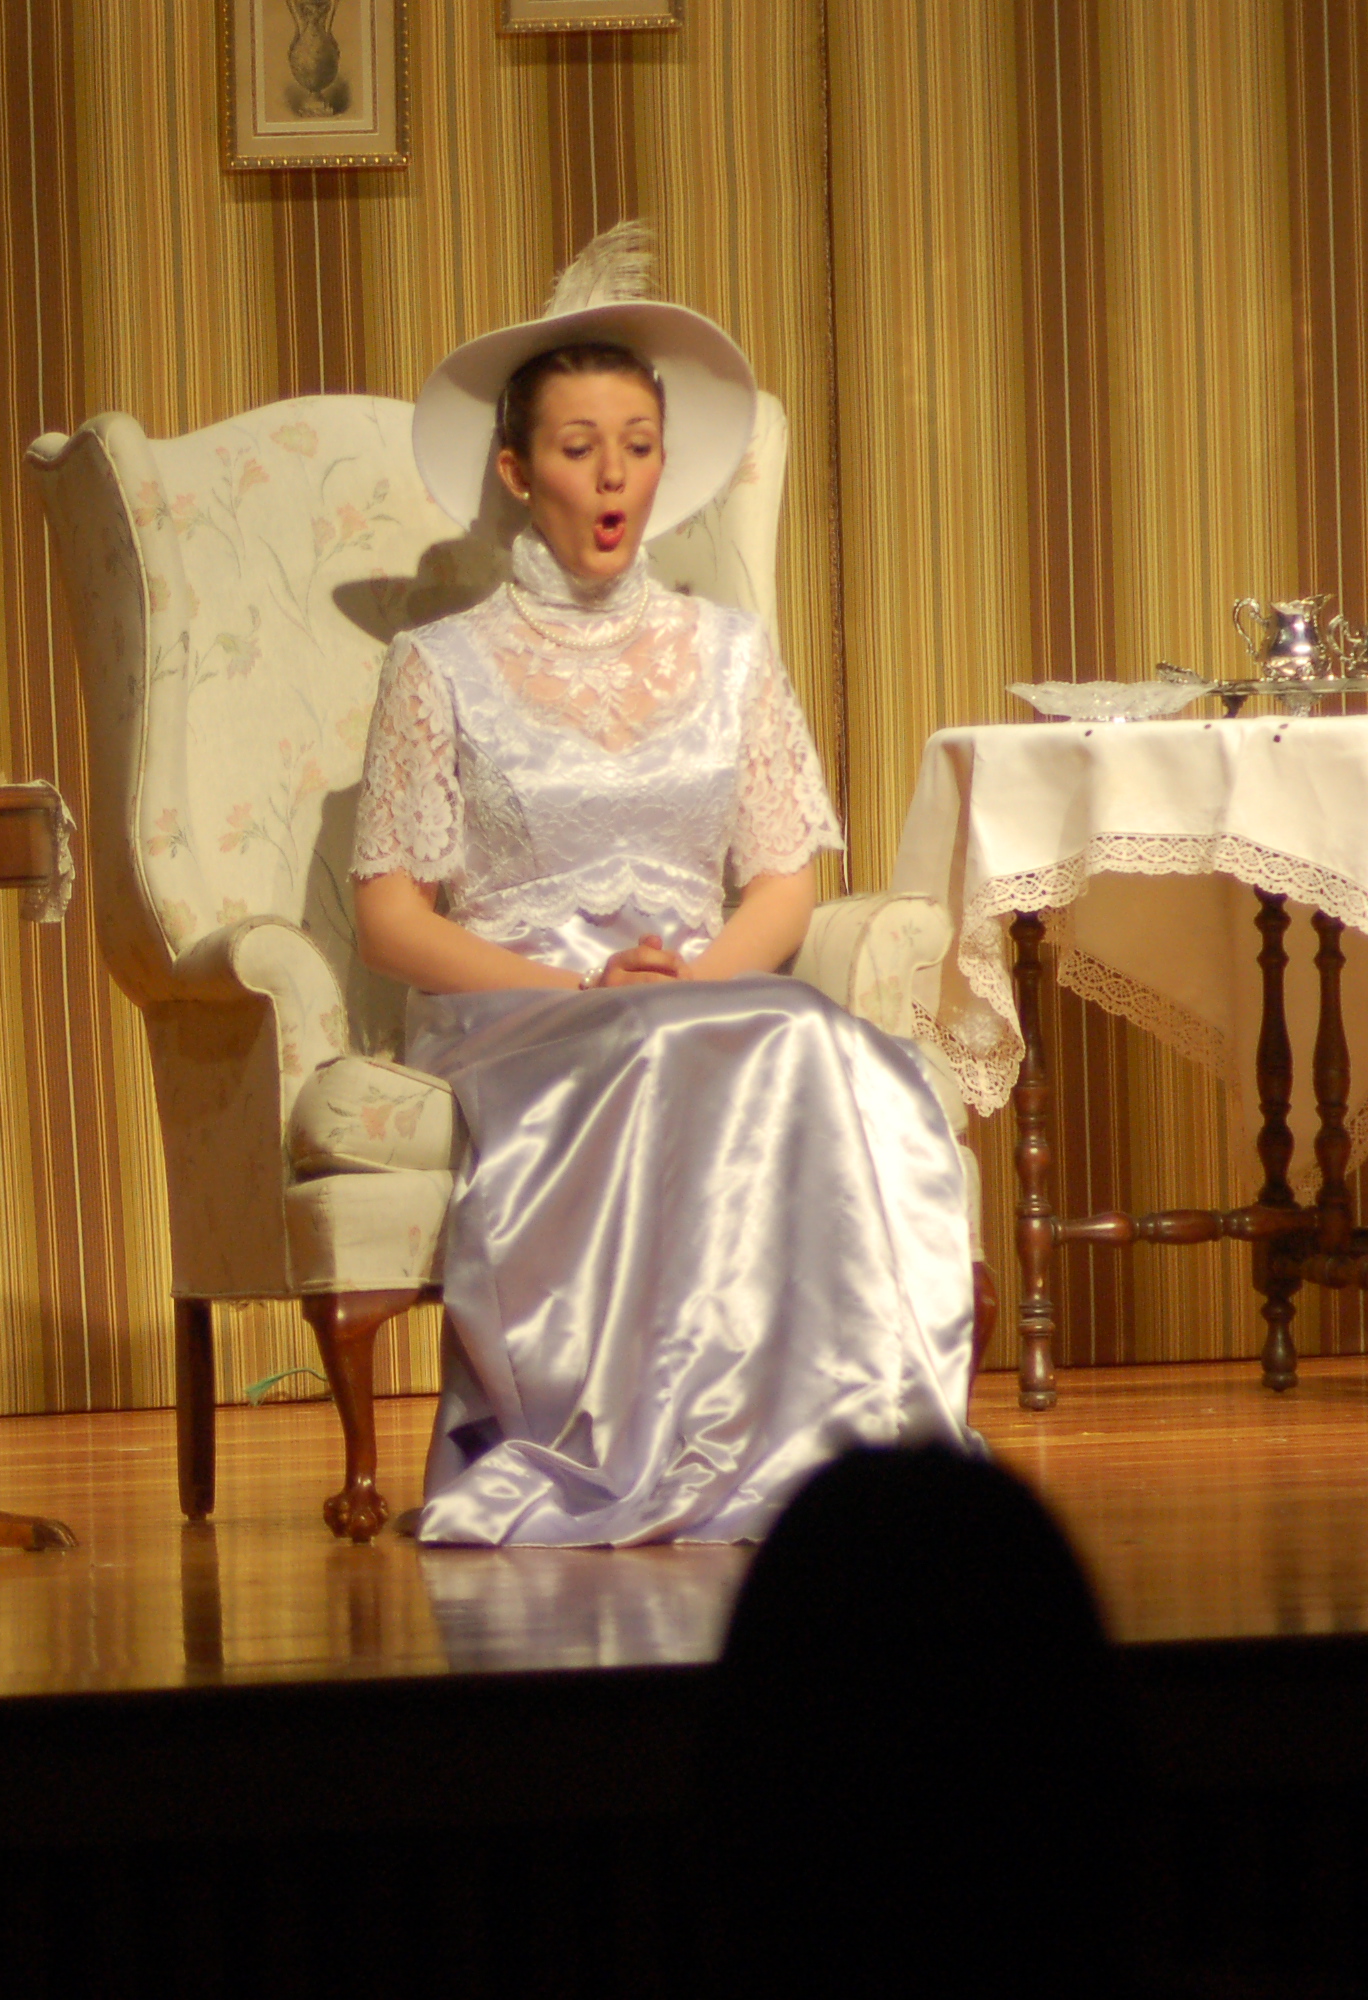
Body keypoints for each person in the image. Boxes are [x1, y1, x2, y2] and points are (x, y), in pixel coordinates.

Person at [346, 226, 980, 1546]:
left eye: (636, 446)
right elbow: (391, 918)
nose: (612, 475)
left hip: (699, 990)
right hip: (523, 1011)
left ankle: (840, 1445)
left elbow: (782, 883)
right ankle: (639, 1444)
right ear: (519, 474)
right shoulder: (439, 664)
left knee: (822, 1042)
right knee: (697, 1041)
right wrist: (582, 987)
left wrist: (688, 980)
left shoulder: (731, 651)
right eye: (580, 448)